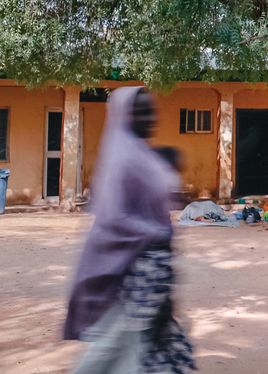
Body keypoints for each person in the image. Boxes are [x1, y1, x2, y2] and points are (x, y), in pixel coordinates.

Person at [64, 87, 195, 374]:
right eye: (141, 111)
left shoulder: (141, 154)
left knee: (134, 349)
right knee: (112, 351)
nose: (150, 117)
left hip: (151, 276)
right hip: (126, 273)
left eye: (152, 110)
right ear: (125, 114)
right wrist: (155, 233)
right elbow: (114, 216)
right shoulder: (121, 158)